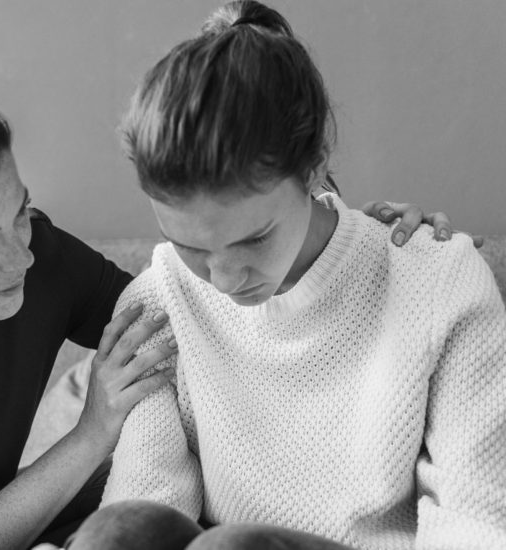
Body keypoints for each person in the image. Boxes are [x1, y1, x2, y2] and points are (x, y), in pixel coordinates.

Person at [0, 74, 459, 550]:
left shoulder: (39, 259)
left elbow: (196, 310)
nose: (20, 254)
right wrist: (91, 435)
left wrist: (353, 244)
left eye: (21, 213)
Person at [67, 2, 506, 549]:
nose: (223, 279)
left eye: (253, 238)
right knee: (117, 532)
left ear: (316, 160)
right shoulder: (161, 302)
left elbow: (477, 522)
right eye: (189, 246)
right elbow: (145, 500)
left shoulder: (438, 282)